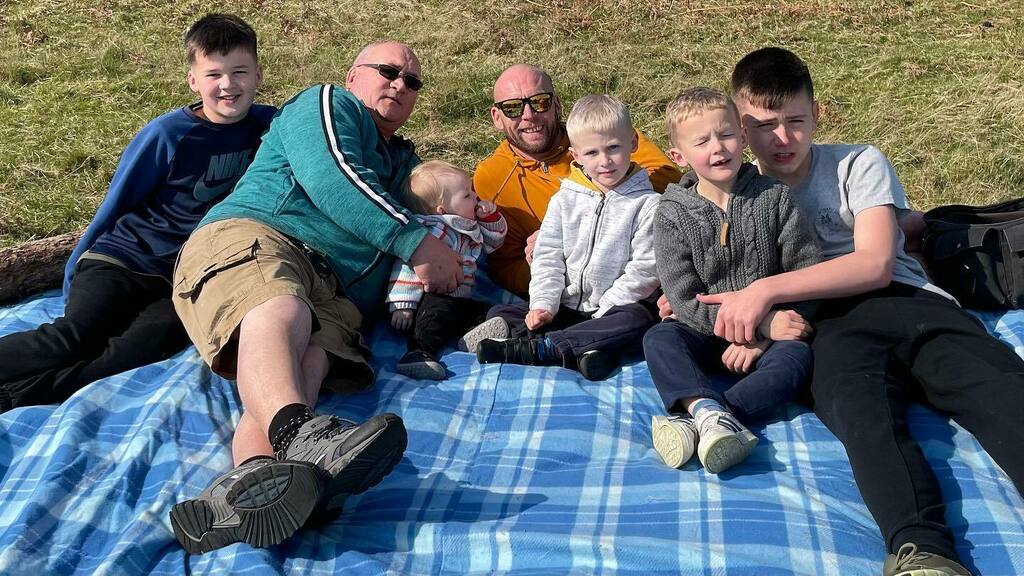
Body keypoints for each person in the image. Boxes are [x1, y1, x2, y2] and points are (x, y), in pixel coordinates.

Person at [682, 47, 1024, 575]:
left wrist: (766, 290)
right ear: (741, 129)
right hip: (827, 328)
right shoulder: (738, 192)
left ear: (817, 114)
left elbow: (875, 264)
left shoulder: (857, 162)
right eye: (764, 125)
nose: (782, 139)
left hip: (911, 306)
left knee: (999, 387)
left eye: (796, 120)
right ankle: (923, 552)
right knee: (866, 422)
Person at [169, 41, 464, 554]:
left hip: (335, 292)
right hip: (264, 236)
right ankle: (301, 437)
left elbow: (451, 207)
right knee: (280, 304)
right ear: (353, 77)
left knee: (306, 363)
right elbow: (333, 177)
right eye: (388, 72)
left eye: (412, 81)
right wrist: (415, 242)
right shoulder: (327, 104)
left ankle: (247, 491)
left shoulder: (404, 164)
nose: (400, 84)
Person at [0, 14, 275, 414]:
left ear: (258, 75)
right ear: (193, 81)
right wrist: (75, 266)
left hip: (179, 279)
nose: (228, 85)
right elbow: (117, 202)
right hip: (124, 259)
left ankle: (16, 396)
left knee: (138, 349)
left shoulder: (269, 126)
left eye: (239, 72)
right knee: (75, 337)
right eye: (214, 74)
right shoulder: (168, 134)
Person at [643, 87, 821, 475]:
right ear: (679, 156)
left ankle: (719, 417)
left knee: (798, 357)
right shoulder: (672, 213)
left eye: (725, 135)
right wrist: (750, 324)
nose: (717, 148)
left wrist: (764, 336)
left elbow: (806, 272)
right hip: (706, 331)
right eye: (701, 141)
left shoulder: (774, 198)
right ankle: (704, 409)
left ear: (742, 138)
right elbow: (683, 298)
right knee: (659, 338)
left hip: (772, 331)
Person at [467, 94, 660, 381]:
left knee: (638, 321)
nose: (605, 161)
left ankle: (543, 347)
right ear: (576, 155)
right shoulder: (564, 200)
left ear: (632, 143)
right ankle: (587, 351)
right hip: (568, 306)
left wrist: (606, 310)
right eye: (592, 153)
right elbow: (547, 256)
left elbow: (645, 269)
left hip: (613, 309)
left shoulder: (648, 204)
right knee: (504, 310)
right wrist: (543, 304)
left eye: (614, 148)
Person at [473, 64, 682, 298]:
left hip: (642, 277)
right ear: (496, 117)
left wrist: (584, 230)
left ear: (557, 105)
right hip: (569, 292)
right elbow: (503, 265)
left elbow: (671, 181)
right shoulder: (492, 177)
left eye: (540, 102)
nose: (529, 115)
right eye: (512, 108)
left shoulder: (601, 132)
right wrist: (545, 263)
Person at [385, 160, 507, 380]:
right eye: (467, 195)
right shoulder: (433, 233)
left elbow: (493, 243)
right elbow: (407, 269)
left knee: (482, 312)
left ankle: (473, 334)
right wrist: (403, 304)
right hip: (430, 296)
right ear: (443, 209)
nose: (475, 197)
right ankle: (418, 353)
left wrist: (490, 218)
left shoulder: (466, 228)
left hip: (460, 297)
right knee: (433, 317)